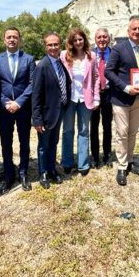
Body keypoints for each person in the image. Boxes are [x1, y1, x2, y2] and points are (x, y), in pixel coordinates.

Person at [105, 18, 139, 186]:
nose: (137, 31)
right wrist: (125, 87)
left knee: (132, 132)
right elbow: (108, 72)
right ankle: (122, 166)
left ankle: (130, 160)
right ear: (128, 31)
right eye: (134, 29)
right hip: (121, 97)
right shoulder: (118, 49)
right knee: (122, 132)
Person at [0, 27, 36, 194]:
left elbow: (32, 84)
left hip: (23, 108)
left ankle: (23, 172)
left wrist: (18, 102)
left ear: (20, 39)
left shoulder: (29, 59)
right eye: (9, 37)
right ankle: (8, 174)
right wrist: (5, 102)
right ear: (4, 40)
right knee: (6, 143)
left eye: (15, 37)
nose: (12, 39)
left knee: (24, 141)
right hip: (4, 110)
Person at [32, 32, 71, 189]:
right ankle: (43, 173)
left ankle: (52, 169)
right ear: (45, 46)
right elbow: (36, 95)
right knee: (43, 145)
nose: (53, 47)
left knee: (54, 143)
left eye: (56, 44)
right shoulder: (42, 66)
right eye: (50, 45)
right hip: (46, 114)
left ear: (60, 45)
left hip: (59, 111)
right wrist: (37, 119)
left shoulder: (60, 63)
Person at [60, 28, 100, 176]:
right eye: (75, 40)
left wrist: (96, 98)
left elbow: (95, 78)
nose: (78, 42)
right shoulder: (64, 55)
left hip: (85, 99)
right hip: (69, 99)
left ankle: (83, 164)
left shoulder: (92, 56)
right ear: (71, 42)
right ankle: (67, 162)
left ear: (84, 40)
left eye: (80, 39)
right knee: (67, 131)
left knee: (83, 131)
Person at [90, 28, 113, 168]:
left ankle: (107, 155)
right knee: (93, 126)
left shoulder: (115, 53)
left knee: (108, 126)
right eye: (99, 37)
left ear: (109, 39)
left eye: (105, 37)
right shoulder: (89, 54)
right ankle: (94, 156)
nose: (102, 40)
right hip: (93, 95)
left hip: (110, 94)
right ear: (95, 39)